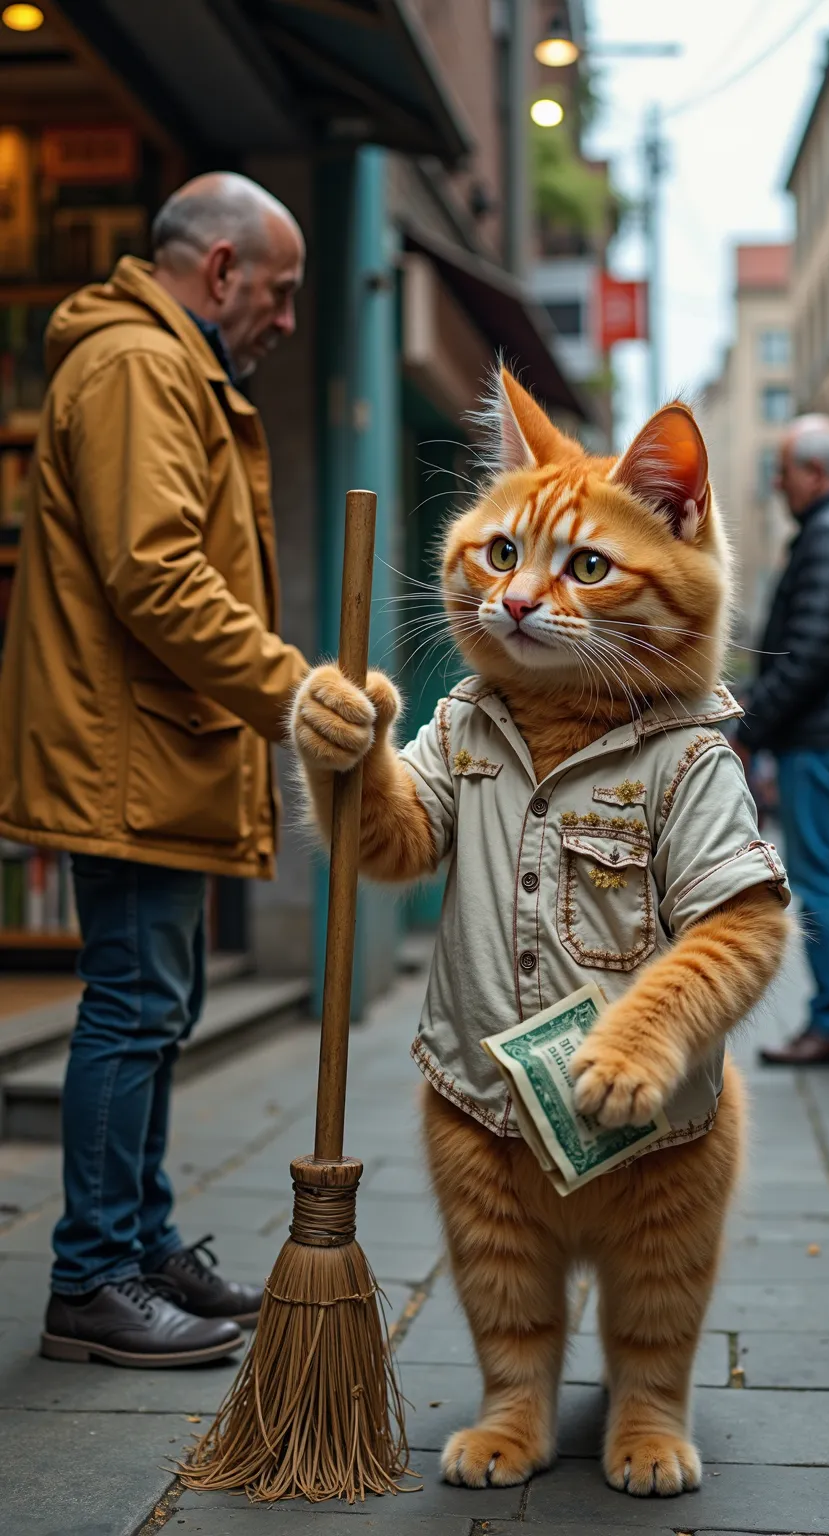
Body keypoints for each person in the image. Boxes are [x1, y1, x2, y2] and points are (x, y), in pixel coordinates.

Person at [0, 173, 309, 1365]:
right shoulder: (137, 365)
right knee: (133, 1008)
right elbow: (159, 575)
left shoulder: (165, 364)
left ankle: (141, 1244)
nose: (285, 318)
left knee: (157, 1006)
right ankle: (91, 1279)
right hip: (127, 755)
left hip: (149, 748)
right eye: (277, 292)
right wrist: (293, 692)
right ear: (222, 271)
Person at [737, 414, 829, 1066]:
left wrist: (751, 727)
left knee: (824, 875)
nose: (778, 482)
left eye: (783, 470)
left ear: (815, 473)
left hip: (823, 738)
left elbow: (811, 650)